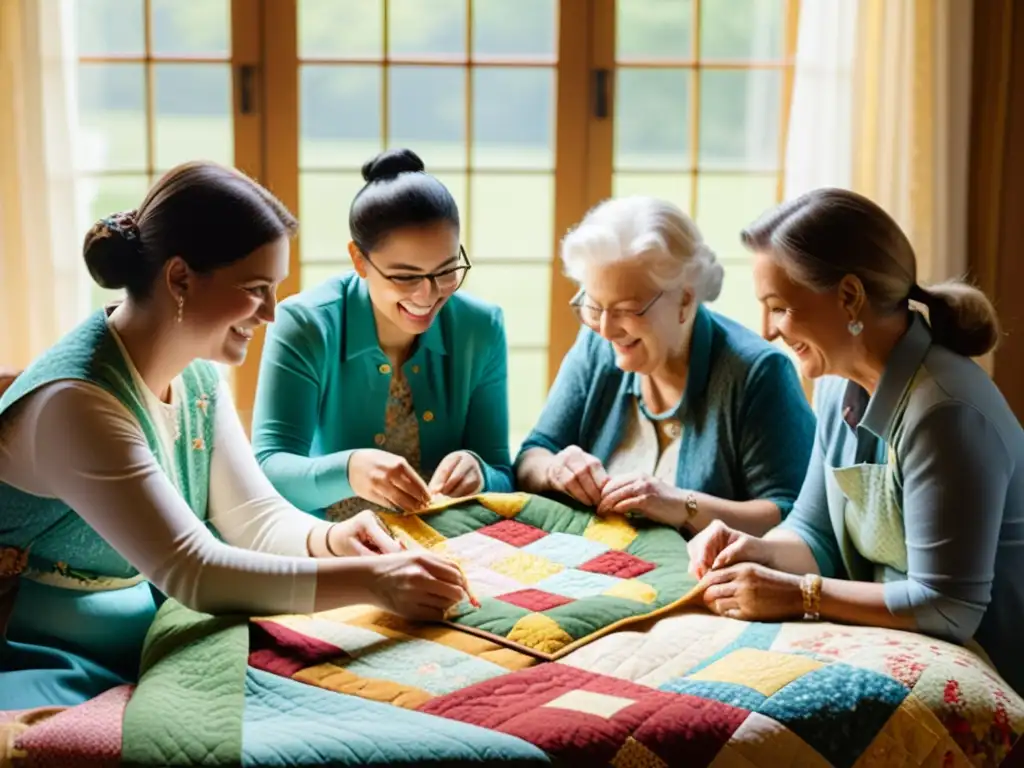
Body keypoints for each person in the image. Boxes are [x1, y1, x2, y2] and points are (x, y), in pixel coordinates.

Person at [0, 161, 468, 710]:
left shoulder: (196, 374)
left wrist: (332, 543)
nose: (270, 313)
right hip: (42, 655)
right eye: (255, 289)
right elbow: (194, 570)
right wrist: (372, 581)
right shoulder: (76, 405)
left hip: (146, 631)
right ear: (179, 278)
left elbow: (254, 519)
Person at [689, 187, 1024, 695]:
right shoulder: (834, 386)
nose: (768, 329)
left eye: (779, 307)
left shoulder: (945, 412)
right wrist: (754, 552)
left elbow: (947, 607)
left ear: (849, 296)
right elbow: (814, 532)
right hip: (909, 650)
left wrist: (799, 594)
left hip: (993, 673)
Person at [515, 196, 815, 536]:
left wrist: (682, 505)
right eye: (594, 306)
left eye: (627, 309)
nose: (607, 329)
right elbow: (532, 456)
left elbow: (791, 515)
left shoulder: (757, 373)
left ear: (685, 299)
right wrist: (554, 468)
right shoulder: (596, 347)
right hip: (597, 565)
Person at [251, 148, 513, 521]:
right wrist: (349, 470)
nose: (428, 294)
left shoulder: (481, 327)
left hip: (448, 538)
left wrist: (480, 471)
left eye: (446, 269)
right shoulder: (306, 325)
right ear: (359, 260)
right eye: (405, 276)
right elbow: (267, 470)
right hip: (330, 540)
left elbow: (504, 474)